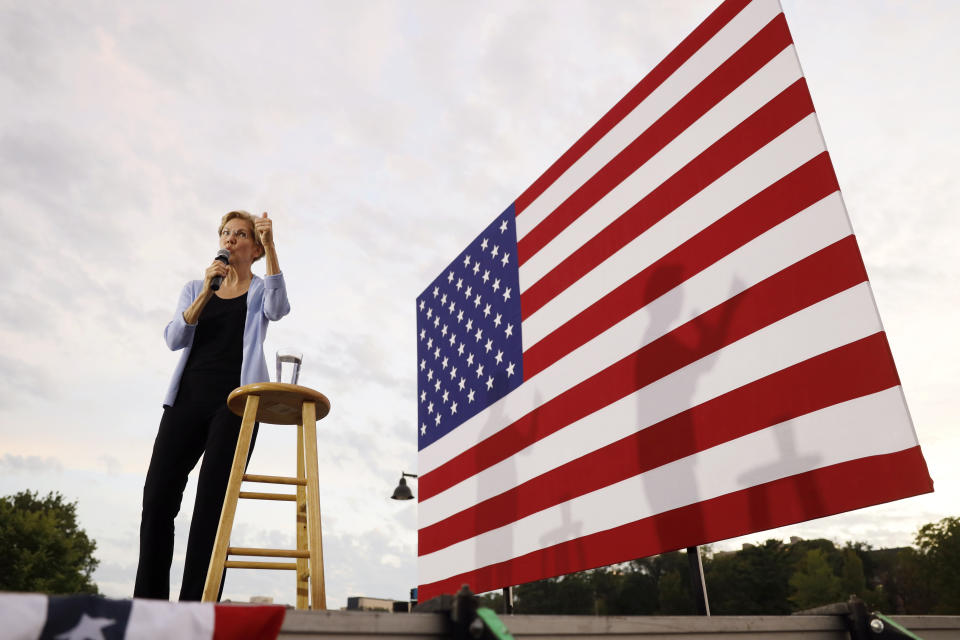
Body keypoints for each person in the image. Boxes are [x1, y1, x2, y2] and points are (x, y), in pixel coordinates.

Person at [134, 210, 290, 601]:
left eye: (240, 234)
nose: (230, 239)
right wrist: (207, 290)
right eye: (225, 233)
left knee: (211, 508)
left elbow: (278, 308)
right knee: (157, 500)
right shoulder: (194, 287)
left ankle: (196, 607)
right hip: (186, 401)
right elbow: (173, 339)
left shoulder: (258, 289)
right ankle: (149, 604)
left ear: (253, 248)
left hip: (235, 405)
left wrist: (272, 247)